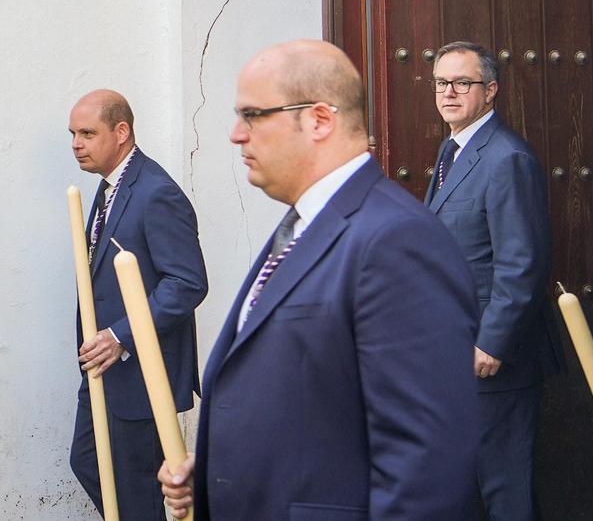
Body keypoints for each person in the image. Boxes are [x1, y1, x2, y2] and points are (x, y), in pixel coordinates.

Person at [160, 40, 478, 521]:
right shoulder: (300, 226)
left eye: (252, 115)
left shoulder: (395, 240)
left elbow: (425, 465)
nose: (235, 135)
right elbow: (318, 409)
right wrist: (221, 472)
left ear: (320, 120)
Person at [423, 42, 561, 521]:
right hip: (456, 351)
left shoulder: (506, 157)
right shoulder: (453, 150)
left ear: (491, 90)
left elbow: (523, 262)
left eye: (463, 82)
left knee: (506, 489)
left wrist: (493, 342)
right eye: (442, 82)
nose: (449, 92)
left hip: (496, 359)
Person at [67, 89, 206, 521]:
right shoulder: (111, 188)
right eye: (72, 134)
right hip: (106, 370)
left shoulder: (156, 192)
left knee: (136, 490)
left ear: (121, 132)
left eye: (88, 133)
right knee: (89, 463)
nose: (76, 144)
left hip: (142, 374)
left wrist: (119, 336)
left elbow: (187, 283)